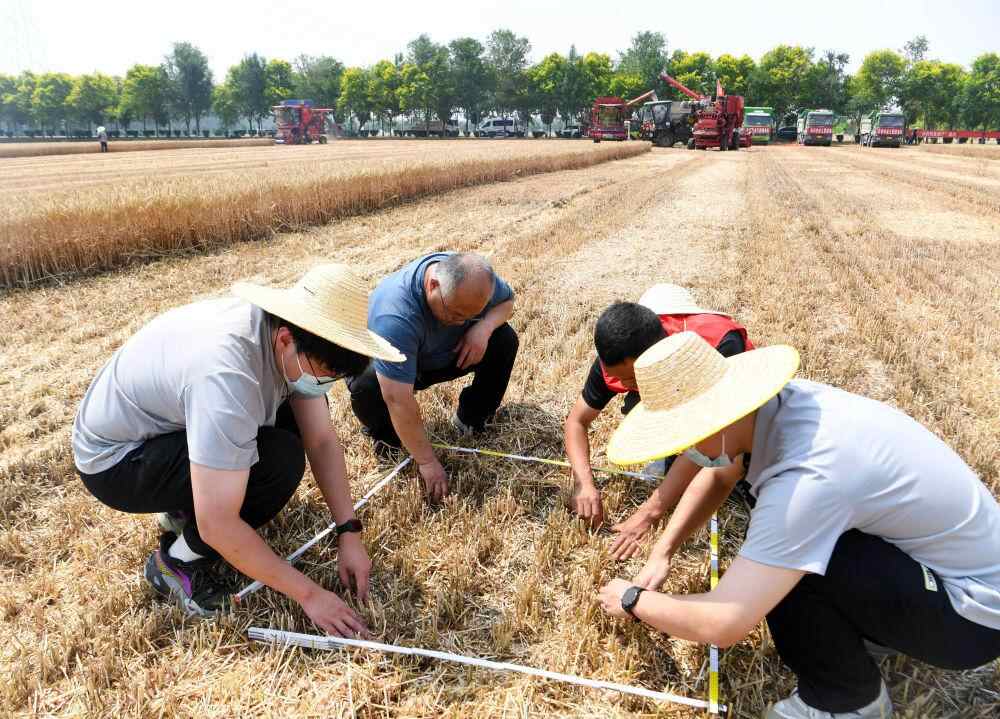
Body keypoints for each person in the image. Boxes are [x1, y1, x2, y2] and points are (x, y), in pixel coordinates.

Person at [596, 332, 1000, 718]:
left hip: (972, 620)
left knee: (788, 567)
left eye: (687, 439)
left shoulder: (807, 479)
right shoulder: (779, 407)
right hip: (943, 572)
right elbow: (721, 475)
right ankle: (871, 630)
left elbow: (725, 621)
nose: (688, 451)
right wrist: (663, 552)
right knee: (786, 547)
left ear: (715, 421)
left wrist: (633, 600)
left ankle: (847, 703)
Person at [73, 264, 405, 637]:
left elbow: (321, 439)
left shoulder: (291, 339)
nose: (325, 383)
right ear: (286, 340)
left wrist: (349, 531)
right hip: (117, 460)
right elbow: (218, 524)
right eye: (324, 373)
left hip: (167, 428)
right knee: (278, 463)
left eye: (336, 376)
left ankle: (186, 505)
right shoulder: (229, 376)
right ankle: (175, 563)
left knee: (291, 423)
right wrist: (310, 595)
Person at [564, 284, 752, 539]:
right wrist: (584, 483)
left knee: (729, 464)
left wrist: (649, 513)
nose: (626, 384)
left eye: (633, 378)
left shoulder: (717, 344)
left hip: (735, 413)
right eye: (620, 379)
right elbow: (576, 421)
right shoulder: (615, 359)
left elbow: (714, 436)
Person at [348, 252, 518, 501]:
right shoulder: (394, 315)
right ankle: (389, 440)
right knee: (366, 385)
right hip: (394, 366)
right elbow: (397, 398)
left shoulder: (475, 280)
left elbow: (507, 302)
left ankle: (471, 419)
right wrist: (427, 462)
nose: (460, 323)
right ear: (433, 285)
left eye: (470, 316)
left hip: (446, 353)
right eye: (455, 313)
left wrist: (483, 327)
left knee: (504, 339)